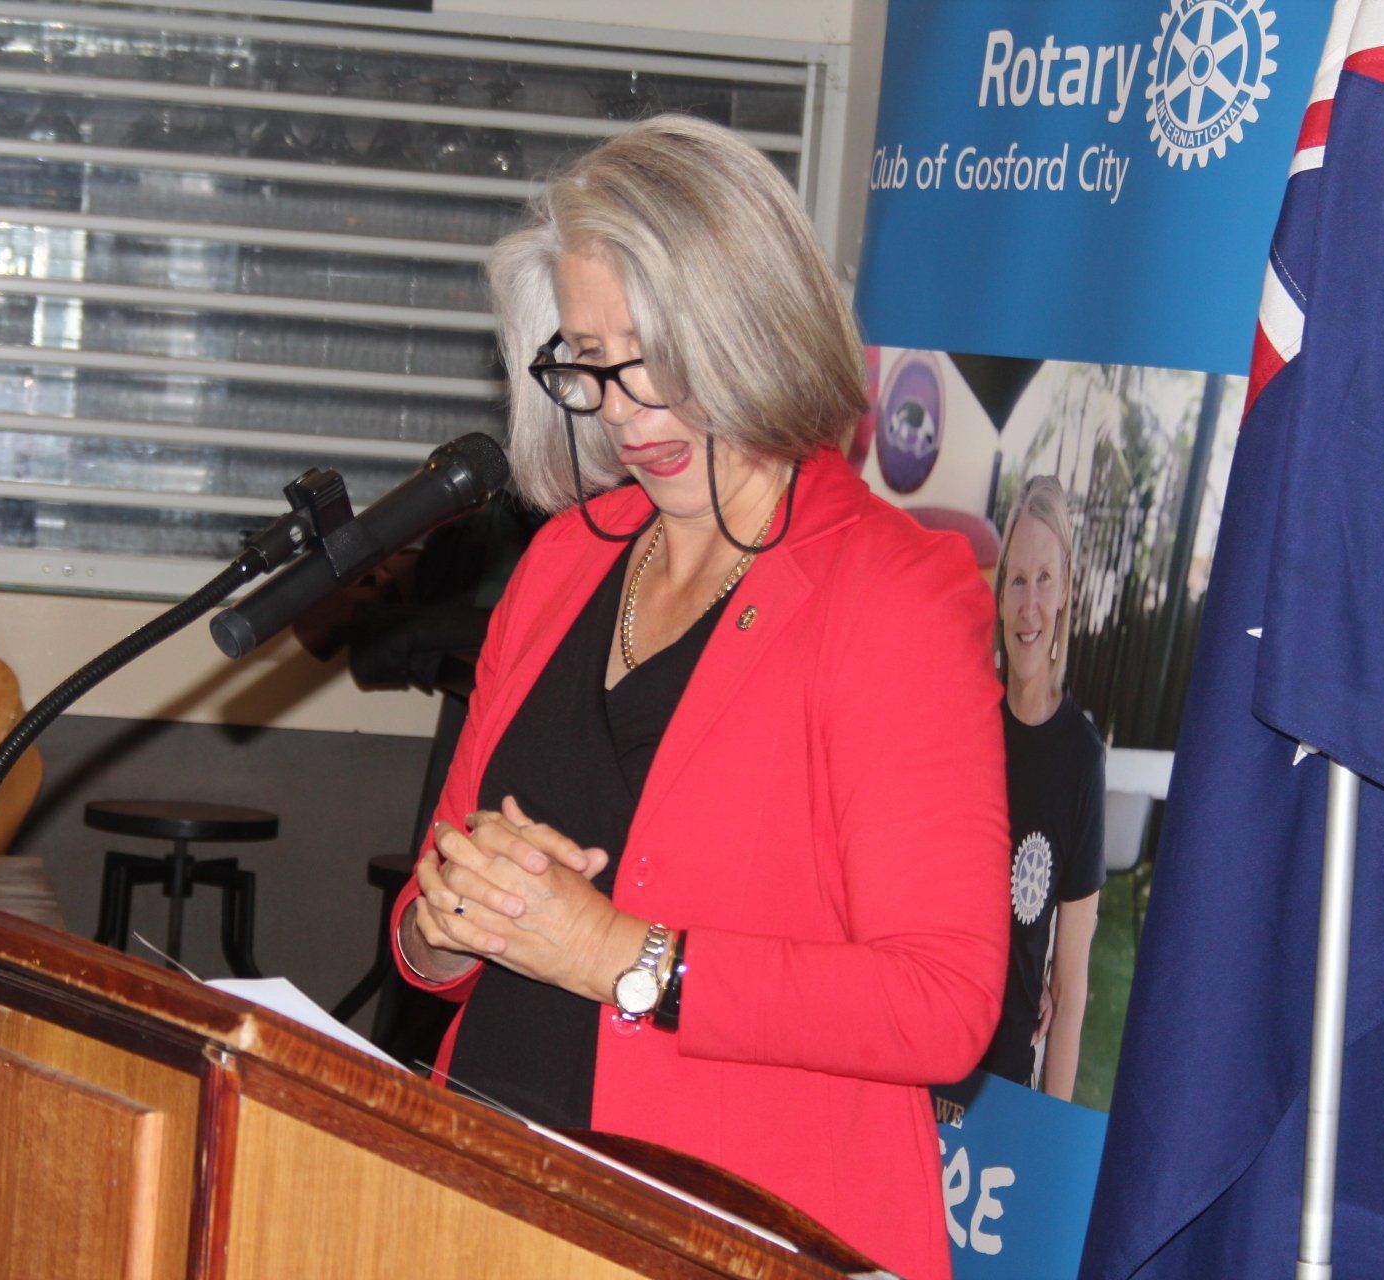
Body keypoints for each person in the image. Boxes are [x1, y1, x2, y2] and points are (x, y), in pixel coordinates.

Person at [387, 115, 1008, 1280]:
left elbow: (944, 1001)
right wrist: (440, 920)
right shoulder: (563, 559)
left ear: (753, 323)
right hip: (485, 1191)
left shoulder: (892, 592)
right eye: (589, 361)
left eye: (655, 354)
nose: (623, 408)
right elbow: (438, 922)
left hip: (742, 1232)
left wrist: (628, 956)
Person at [976, 474, 1105, 1100]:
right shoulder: (962, 720)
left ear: (1064, 595)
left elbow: (1072, 988)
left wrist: (1049, 1132)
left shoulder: (1080, 759)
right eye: (1017, 580)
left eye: (1045, 580)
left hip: (1006, 1076)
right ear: (999, 597)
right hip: (923, 1048)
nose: (1030, 605)